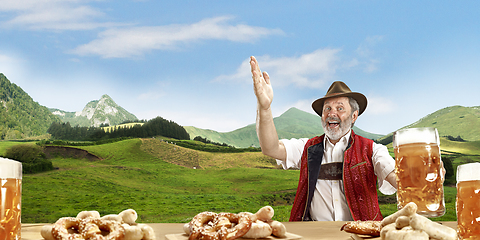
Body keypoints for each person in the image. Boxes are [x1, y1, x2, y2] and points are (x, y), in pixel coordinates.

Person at [250, 56, 397, 222]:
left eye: (340, 108)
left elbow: (396, 177)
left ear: (354, 116)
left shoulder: (373, 150)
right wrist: (265, 107)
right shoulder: (307, 147)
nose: (331, 113)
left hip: (361, 235)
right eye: (327, 108)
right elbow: (270, 148)